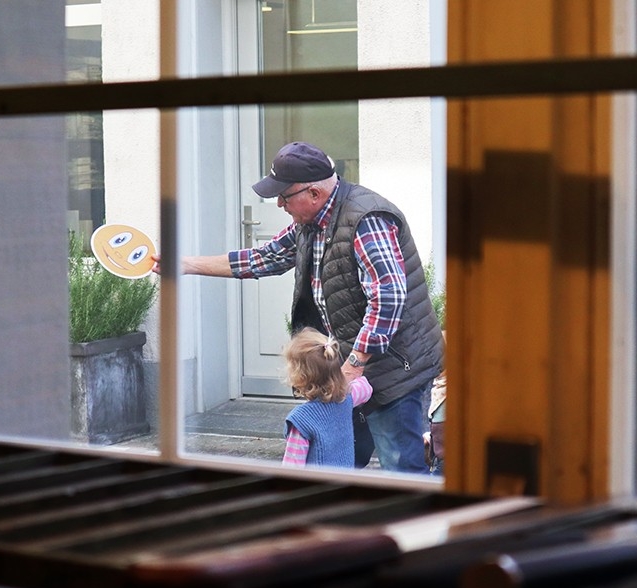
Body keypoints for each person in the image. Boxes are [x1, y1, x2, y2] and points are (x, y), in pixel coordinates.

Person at [152, 141, 444, 474]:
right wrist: (184, 263)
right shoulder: (312, 220)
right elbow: (265, 258)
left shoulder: (367, 219)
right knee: (338, 458)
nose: (278, 204)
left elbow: (388, 296)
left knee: (400, 468)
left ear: (315, 194)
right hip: (352, 367)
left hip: (395, 368)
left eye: (284, 196)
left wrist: (355, 363)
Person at [281, 327, 372, 468]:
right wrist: (341, 382)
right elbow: (366, 388)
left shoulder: (300, 420)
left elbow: (291, 469)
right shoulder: (346, 399)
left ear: (300, 378)